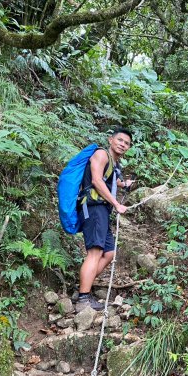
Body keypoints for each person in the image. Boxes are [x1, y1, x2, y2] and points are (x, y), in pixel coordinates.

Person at [75, 127, 134, 311]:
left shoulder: (114, 164)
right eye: (120, 140)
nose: (123, 144)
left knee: (109, 253)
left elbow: (110, 180)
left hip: (102, 210)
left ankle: (84, 288)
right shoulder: (101, 154)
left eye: (127, 143)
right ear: (111, 139)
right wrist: (116, 204)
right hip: (93, 207)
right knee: (95, 252)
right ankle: (83, 299)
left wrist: (124, 184)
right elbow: (97, 181)